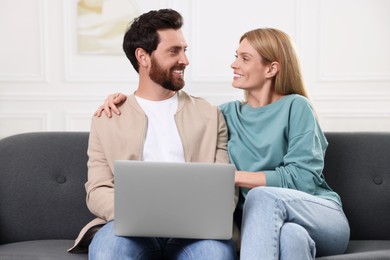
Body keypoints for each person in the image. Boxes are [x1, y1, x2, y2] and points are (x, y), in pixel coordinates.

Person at [96, 27, 351, 259]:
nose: (233, 64)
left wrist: (232, 176)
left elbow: (303, 178)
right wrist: (124, 100)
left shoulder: (297, 107)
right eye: (236, 55)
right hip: (273, 226)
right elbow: (184, 113)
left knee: (262, 198)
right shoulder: (225, 114)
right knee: (292, 238)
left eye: (245, 58)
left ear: (271, 69)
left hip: (319, 215)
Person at [69, 8, 238, 260]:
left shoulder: (209, 114)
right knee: (108, 251)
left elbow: (225, 186)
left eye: (184, 50)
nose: (185, 60)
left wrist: (196, 214)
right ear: (143, 57)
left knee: (214, 255)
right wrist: (137, 214)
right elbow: (98, 188)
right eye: (174, 51)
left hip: (196, 231)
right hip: (129, 229)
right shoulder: (108, 117)